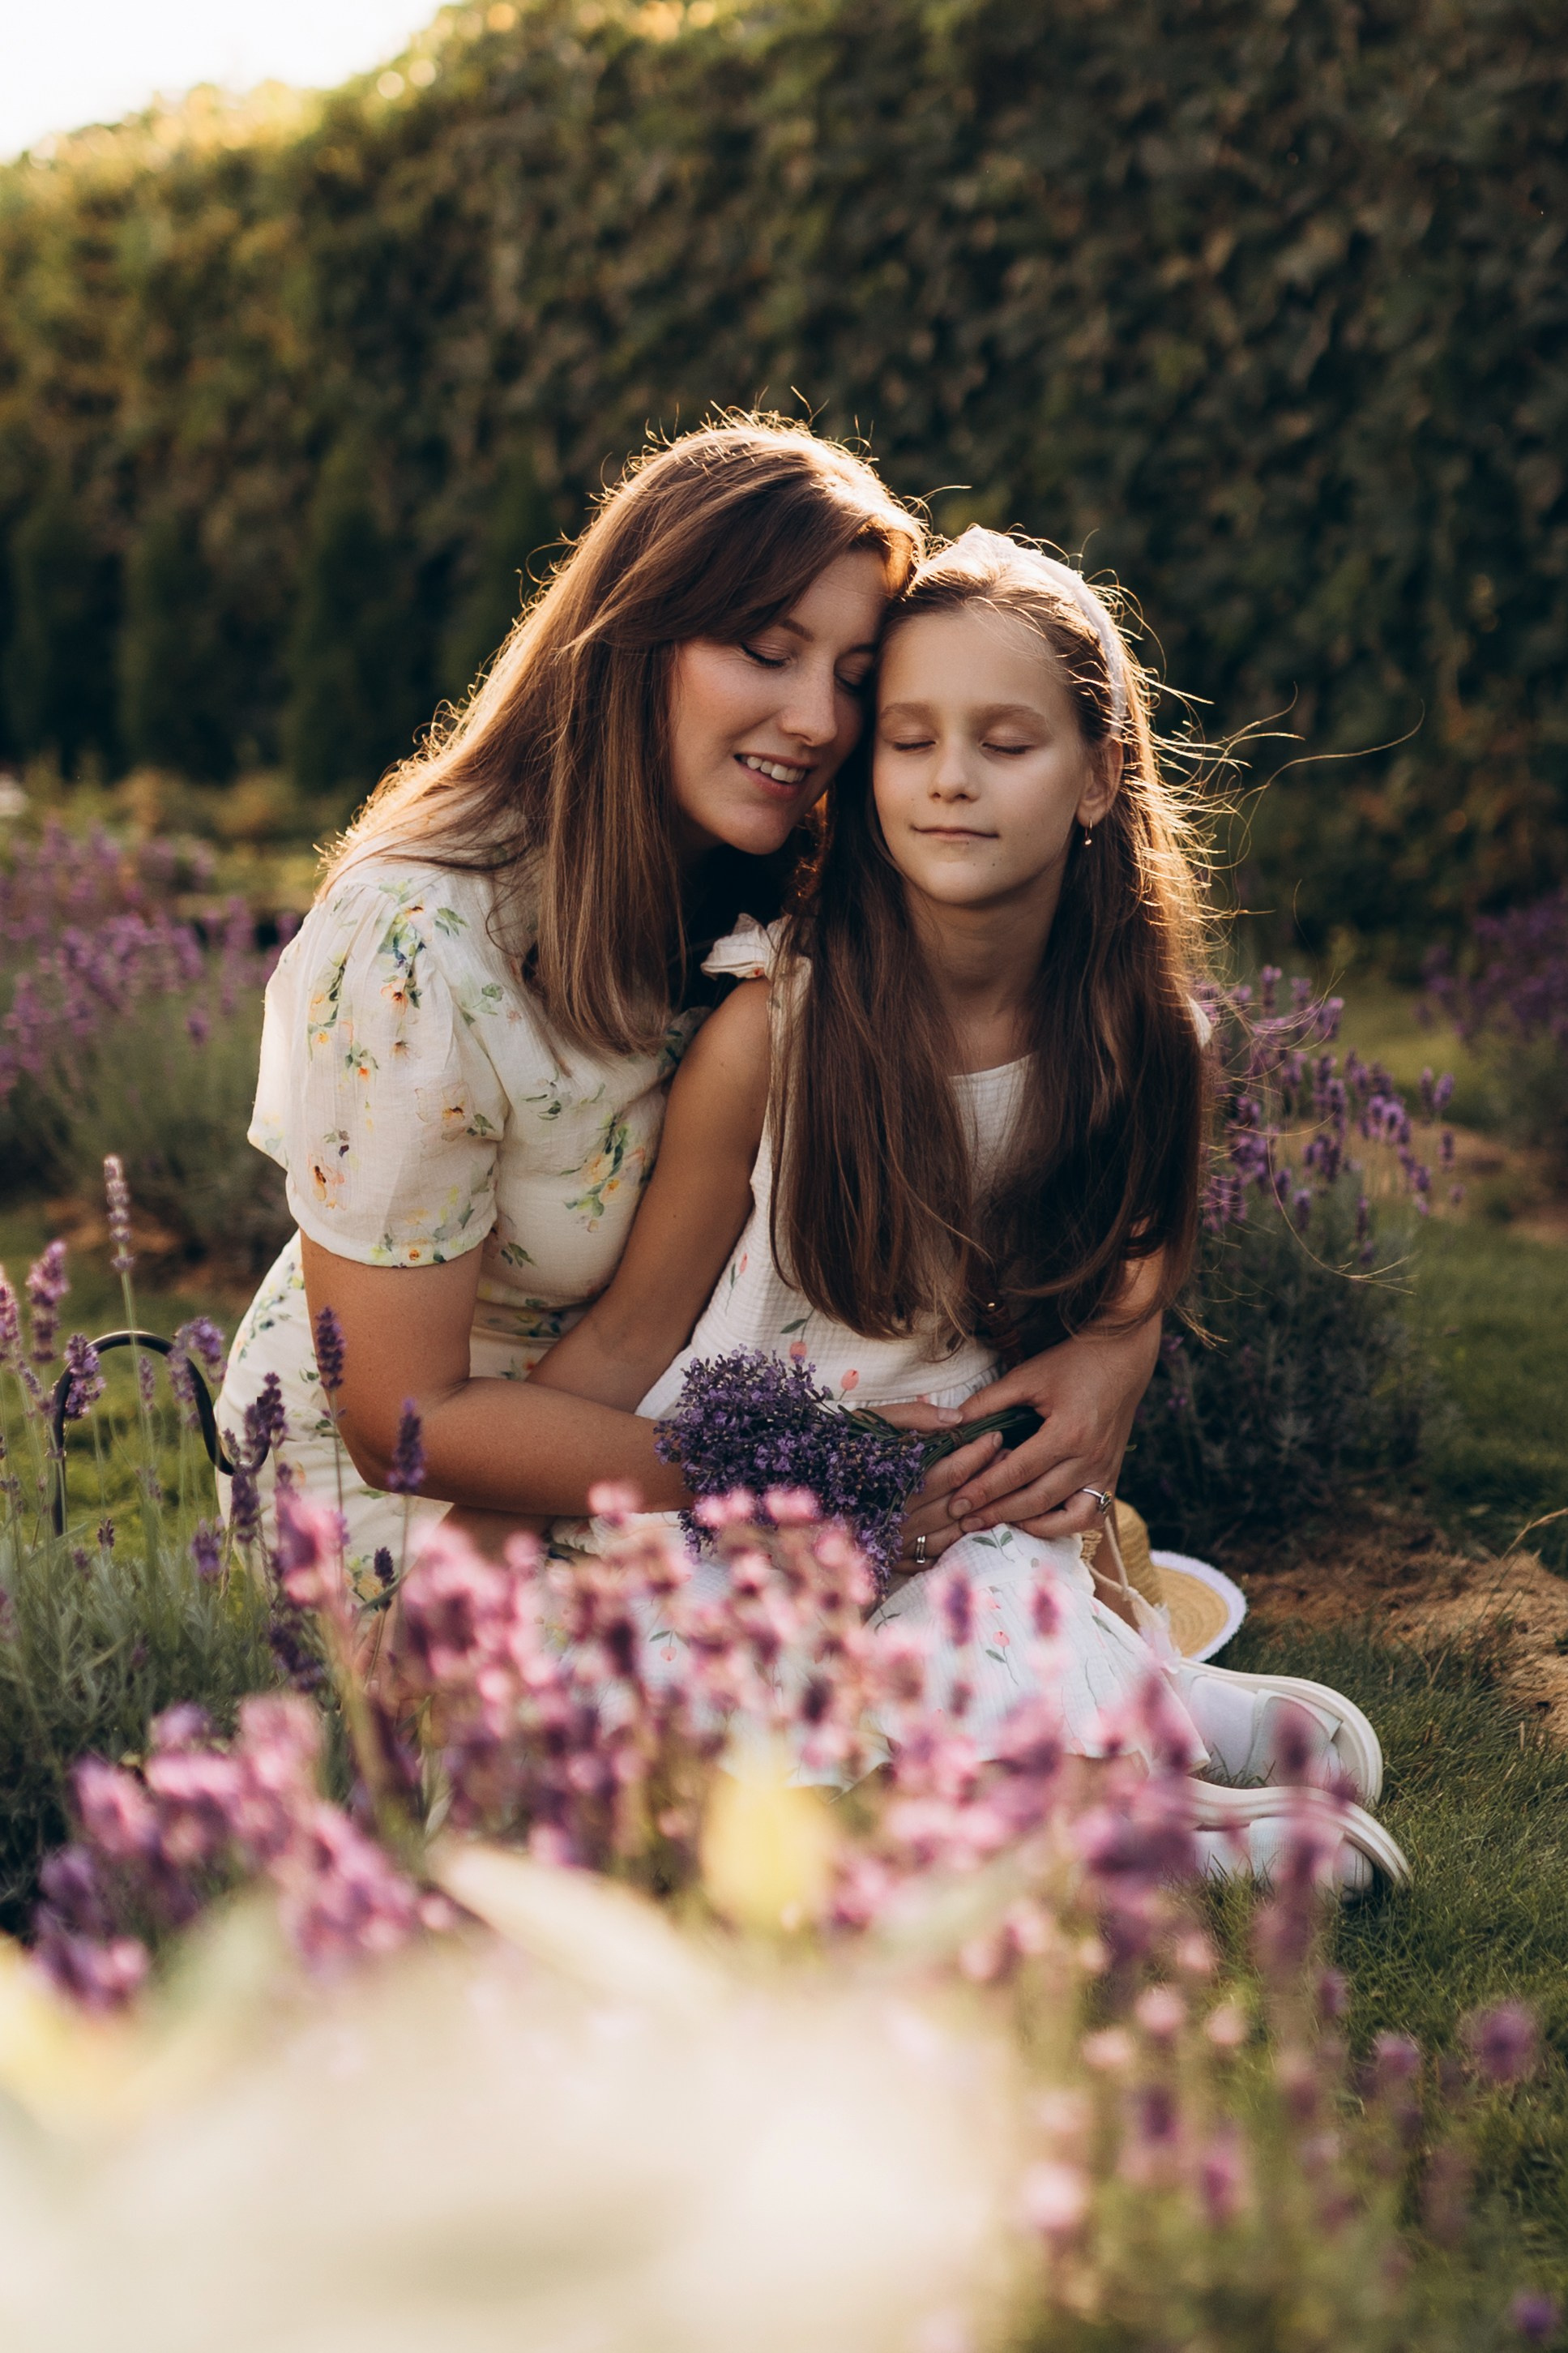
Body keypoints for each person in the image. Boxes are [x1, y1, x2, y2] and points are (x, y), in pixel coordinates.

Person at [526, 528, 1408, 1889]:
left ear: (1099, 777)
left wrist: (1111, 1369)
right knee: (768, 1753)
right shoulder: (778, 1028)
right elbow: (635, 1333)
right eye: (910, 740)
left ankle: (1137, 1723)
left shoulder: (1142, 1047)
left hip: (962, 1530)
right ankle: (1150, 1772)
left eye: (1006, 743)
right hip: (743, 1525)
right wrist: (481, 1538)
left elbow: (1125, 1305)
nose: (950, 778)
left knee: (991, 1618)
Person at [216, 426, 1169, 1590]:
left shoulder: (782, 861)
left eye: (855, 679)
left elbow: (1123, 1057)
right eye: (767, 652)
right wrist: (797, 1475)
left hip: (676, 1420)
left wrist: (1119, 1347)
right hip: (427, 1490)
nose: (819, 720)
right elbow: (398, 1423)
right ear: (636, 639)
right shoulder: (415, 946)